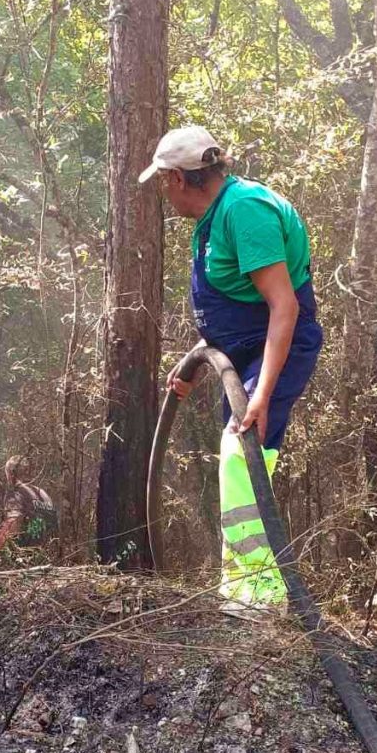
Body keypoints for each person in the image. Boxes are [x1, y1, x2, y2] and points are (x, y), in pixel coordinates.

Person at [139, 126, 323, 619]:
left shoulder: (245, 211)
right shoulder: (213, 218)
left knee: (242, 454)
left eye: (164, 181)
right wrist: (197, 361)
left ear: (178, 178)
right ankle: (241, 590)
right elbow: (236, 312)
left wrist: (261, 395)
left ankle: (261, 597)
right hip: (241, 352)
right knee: (238, 459)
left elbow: (283, 308)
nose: (164, 191)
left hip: (279, 347)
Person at [0, 456, 58, 558]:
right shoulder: (43, 493)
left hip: (25, 557)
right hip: (48, 555)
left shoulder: (16, 493)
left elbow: (13, 523)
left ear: (11, 474)